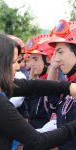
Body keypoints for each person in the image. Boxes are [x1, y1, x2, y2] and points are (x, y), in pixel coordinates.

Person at [0, 32, 76, 150]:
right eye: (14, 62)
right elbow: (39, 141)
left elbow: (31, 86)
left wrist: (68, 87)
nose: (18, 67)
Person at [48, 19, 76, 150]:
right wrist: (53, 68)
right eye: (54, 54)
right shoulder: (69, 85)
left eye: (60, 52)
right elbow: (52, 101)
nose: (56, 59)